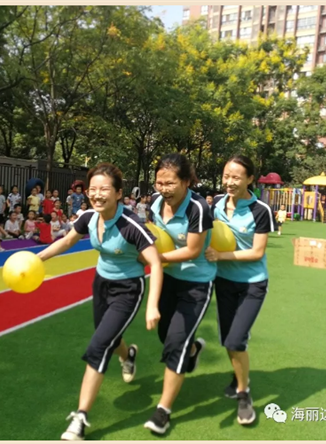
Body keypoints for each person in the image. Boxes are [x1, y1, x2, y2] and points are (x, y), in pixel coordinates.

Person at [37, 163, 163, 441]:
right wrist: (37, 259)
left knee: (98, 347)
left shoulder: (132, 225)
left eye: (104, 189)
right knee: (109, 339)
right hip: (101, 284)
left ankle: (80, 418)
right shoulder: (89, 217)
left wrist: (153, 305)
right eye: (92, 189)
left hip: (128, 289)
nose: (96, 194)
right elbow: (67, 241)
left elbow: (155, 263)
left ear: (118, 193)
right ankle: (128, 356)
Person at [143, 153, 214, 435]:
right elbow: (154, 237)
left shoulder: (198, 208)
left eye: (170, 183)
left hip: (196, 283)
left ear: (186, 181)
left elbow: (193, 250)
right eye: (159, 183)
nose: (164, 189)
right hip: (168, 279)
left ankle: (163, 410)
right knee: (165, 335)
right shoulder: (155, 203)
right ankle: (193, 349)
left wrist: (156, 259)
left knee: (175, 343)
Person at [205, 155, 273, 425]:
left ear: (249, 179)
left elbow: (257, 252)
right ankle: (238, 376)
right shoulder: (216, 205)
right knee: (228, 340)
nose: (229, 182)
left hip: (252, 284)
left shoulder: (260, 210)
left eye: (236, 177)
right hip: (223, 282)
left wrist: (220, 256)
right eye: (226, 176)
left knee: (235, 341)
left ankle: (244, 395)